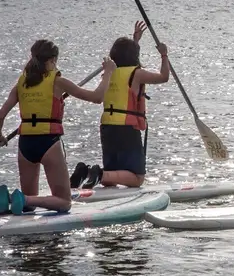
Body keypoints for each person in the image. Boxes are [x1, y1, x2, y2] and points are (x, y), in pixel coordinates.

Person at [0, 40, 115, 214]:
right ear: (51, 61)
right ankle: (19, 198)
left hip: (25, 143)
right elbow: (97, 97)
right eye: (55, 61)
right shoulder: (58, 82)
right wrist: (108, 73)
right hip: (48, 142)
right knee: (64, 202)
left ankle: (14, 199)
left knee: (29, 206)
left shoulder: (22, 83)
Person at [69, 21, 170, 189]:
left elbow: (128, 61)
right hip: (126, 128)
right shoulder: (137, 74)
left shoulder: (109, 72)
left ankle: (87, 173)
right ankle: (99, 174)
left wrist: (135, 41)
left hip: (108, 126)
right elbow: (163, 77)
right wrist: (164, 55)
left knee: (114, 174)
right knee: (137, 178)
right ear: (134, 55)